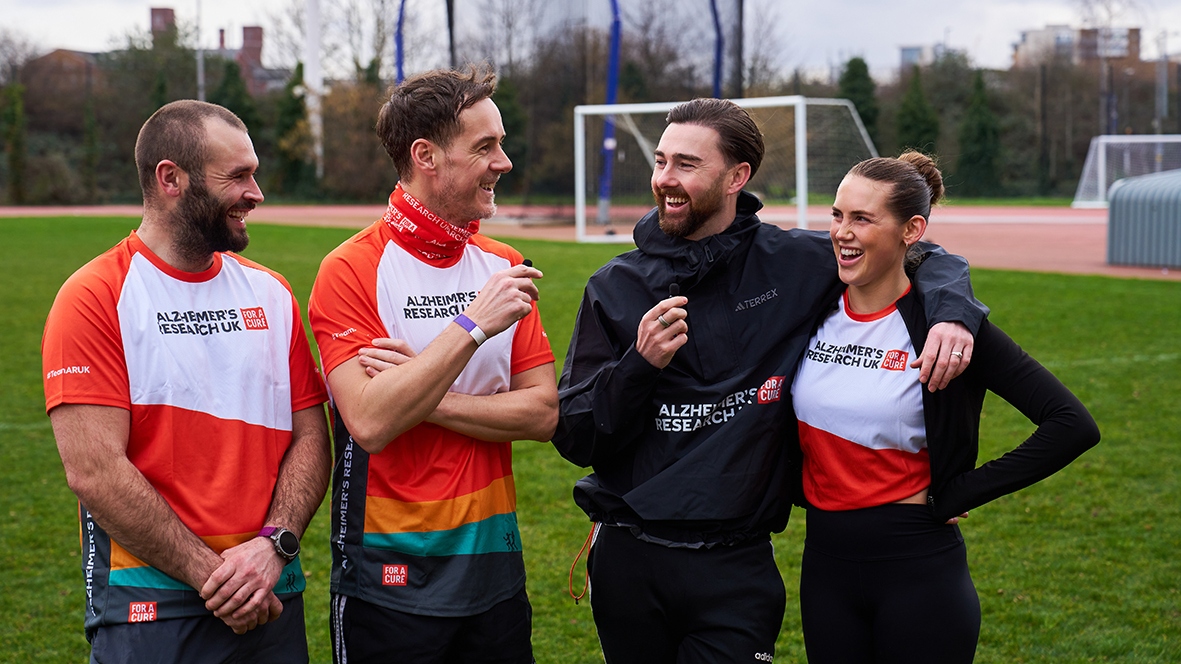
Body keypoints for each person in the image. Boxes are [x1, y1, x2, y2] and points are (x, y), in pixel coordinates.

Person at [552, 97, 988, 663]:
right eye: (661, 161)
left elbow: (920, 254)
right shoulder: (614, 287)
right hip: (630, 562)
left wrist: (952, 311)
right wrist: (640, 364)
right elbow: (577, 436)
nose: (664, 178)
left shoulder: (794, 264)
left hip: (736, 567)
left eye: (686, 164)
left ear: (737, 177)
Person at [41, 100, 332, 662]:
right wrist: (216, 578)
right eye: (238, 176)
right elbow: (94, 471)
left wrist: (274, 547)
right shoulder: (94, 297)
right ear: (170, 178)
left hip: (270, 591)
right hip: (152, 605)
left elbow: (311, 436)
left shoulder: (272, 293)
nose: (256, 193)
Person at [790, 152, 1100, 663]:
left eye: (862, 218)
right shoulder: (809, 311)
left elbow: (1071, 424)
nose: (842, 232)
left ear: (912, 230)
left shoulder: (949, 331)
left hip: (919, 571)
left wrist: (959, 492)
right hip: (825, 568)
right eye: (837, 214)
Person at [308, 64, 557, 664]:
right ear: (426, 156)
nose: (504, 163)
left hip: (495, 567)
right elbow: (370, 422)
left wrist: (419, 390)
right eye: (485, 147)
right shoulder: (350, 269)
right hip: (389, 574)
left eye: (501, 144)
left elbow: (543, 413)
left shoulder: (504, 264)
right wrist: (471, 328)